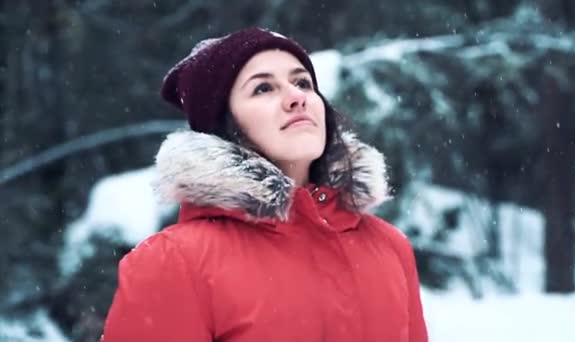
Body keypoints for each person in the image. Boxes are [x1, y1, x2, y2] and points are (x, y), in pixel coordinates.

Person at [102, 27, 428, 342]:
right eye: (263, 88)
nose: (296, 97)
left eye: (302, 82)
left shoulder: (388, 246)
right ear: (223, 125)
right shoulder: (175, 261)